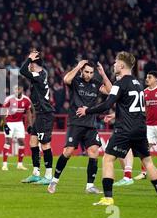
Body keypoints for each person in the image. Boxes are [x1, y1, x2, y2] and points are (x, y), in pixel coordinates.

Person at [76, 51, 157, 206]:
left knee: (108, 159)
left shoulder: (120, 84)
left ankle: (108, 198)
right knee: (148, 162)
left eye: (115, 62)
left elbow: (107, 104)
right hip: (140, 128)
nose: (113, 65)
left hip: (124, 130)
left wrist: (87, 110)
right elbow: (129, 106)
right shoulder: (139, 84)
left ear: (121, 65)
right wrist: (115, 115)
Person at [47, 60, 112, 194]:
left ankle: (90, 186)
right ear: (82, 71)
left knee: (94, 151)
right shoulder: (76, 82)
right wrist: (77, 66)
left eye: (91, 73)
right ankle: (54, 181)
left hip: (90, 124)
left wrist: (103, 75)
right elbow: (66, 79)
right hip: (75, 122)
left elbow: (110, 91)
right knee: (68, 151)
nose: (88, 75)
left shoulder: (96, 83)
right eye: (86, 72)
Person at [113, 70, 157, 186]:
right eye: (146, 77)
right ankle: (143, 172)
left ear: (156, 79)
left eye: (149, 77)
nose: (147, 79)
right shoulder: (144, 92)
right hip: (148, 125)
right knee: (144, 150)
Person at [19, 50, 55, 185]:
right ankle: (36, 173)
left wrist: (29, 58)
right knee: (33, 142)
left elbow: (23, 70)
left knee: (45, 144)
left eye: (31, 63)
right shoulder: (40, 74)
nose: (29, 65)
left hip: (45, 114)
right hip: (40, 114)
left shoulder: (39, 75)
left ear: (34, 64)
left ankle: (49, 175)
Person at [0, 85, 32, 171]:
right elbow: (3, 111)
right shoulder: (9, 99)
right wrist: (5, 124)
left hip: (19, 123)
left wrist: (30, 124)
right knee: (8, 141)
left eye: (18, 89)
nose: (16, 90)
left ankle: (20, 164)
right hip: (9, 122)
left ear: (22, 89)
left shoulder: (26, 100)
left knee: (21, 142)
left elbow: (29, 112)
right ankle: (4, 165)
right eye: (15, 89)